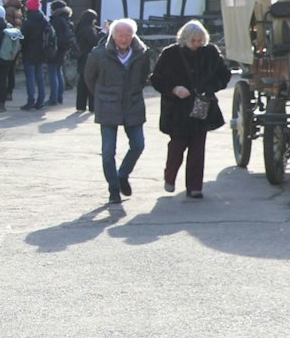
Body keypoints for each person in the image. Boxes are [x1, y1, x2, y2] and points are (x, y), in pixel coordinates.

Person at [149, 20, 232, 198]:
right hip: (177, 109)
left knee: (198, 148)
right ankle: (170, 177)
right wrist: (174, 89)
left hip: (202, 105)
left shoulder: (210, 52)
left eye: (199, 41)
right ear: (185, 39)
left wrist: (210, 89)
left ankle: (195, 187)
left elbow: (224, 75)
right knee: (177, 146)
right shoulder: (170, 54)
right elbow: (156, 79)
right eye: (193, 40)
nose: (196, 44)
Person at [83, 18, 153, 204]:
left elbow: (144, 75)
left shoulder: (141, 53)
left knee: (138, 145)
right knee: (108, 151)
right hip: (108, 105)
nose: (124, 39)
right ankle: (113, 188)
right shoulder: (99, 54)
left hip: (133, 104)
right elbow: (89, 78)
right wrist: (102, 95)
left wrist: (133, 91)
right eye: (120, 35)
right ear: (112, 36)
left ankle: (123, 174)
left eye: (128, 35)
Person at [18, 1, 55, 110]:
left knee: (30, 78)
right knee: (40, 78)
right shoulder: (44, 21)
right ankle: (41, 101)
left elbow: (22, 38)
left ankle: (30, 101)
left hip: (29, 53)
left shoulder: (28, 22)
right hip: (41, 53)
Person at [47, 1, 78, 112]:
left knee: (53, 72)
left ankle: (53, 98)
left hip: (56, 49)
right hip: (63, 49)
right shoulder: (66, 19)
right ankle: (59, 97)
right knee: (59, 71)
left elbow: (52, 36)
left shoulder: (56, 20)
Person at [74, 8, 104, 112]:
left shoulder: (82, 27)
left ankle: (81, 105)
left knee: (82, 82)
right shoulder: (88, 30)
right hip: (89, 57)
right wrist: (103, 32)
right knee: (91, 81)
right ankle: (92, 106)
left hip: (83, 57)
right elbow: (95, 41)